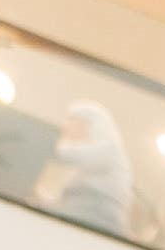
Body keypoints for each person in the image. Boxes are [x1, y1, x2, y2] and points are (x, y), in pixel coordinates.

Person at [41, 99, 136, 238]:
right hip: (78, 224)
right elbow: (67, 204)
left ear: (89, 124)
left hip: (99, 227)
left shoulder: (109, 151)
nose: (66, 127)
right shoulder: (82, 169)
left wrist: (39, 141)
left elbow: (60, 153)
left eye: (72, 121)